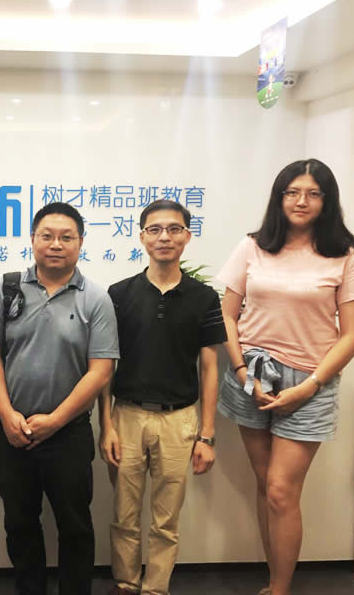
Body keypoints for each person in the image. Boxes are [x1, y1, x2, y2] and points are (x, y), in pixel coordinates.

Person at [217, 159, 354, 595]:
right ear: (279, 197)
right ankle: (274, 580)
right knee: (265, 484)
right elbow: (227, 316)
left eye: (313, 193)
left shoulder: (345, 254)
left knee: (281, 490)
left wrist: (310, 385)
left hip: (311, 380)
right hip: (252, 373)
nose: (301, 201)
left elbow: (351, 336)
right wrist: (241, 371)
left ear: (327, 200)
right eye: (292, 192)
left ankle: (280, 589)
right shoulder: (253, 246)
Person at [0, 201, 119, 595]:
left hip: (68, 434)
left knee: (75, 526)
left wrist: (56, 420)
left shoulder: (95, 298)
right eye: (47, 236)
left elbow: (101, 370)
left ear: (81, 242)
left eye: (66, 237)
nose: (56, 244)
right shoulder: (7, 289)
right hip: (13, 431)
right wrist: (5, 413)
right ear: (33, 239)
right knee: (19, 524)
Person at [99, 200, 226, 595]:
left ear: (187, 236)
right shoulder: (119, 294)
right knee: (123, 515)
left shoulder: (204, 297)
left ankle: (156, 588)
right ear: (142, 237)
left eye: (174, 229)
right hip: (127, 416)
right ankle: (126, 583)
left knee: (166, 520)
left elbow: (209, 369)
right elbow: (105, 366)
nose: (164, 237)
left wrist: (207, 436)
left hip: (179, 419)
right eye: (154, 229)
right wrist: (106, 426)